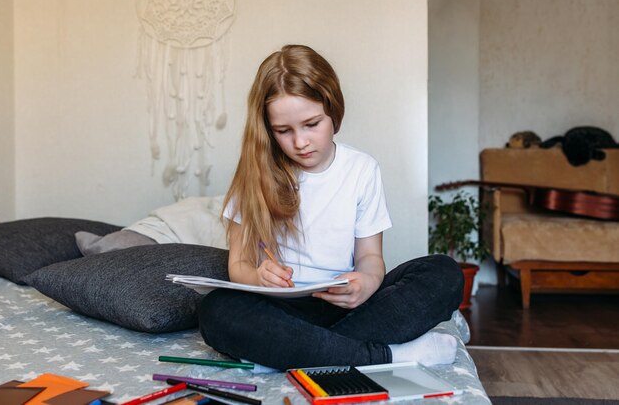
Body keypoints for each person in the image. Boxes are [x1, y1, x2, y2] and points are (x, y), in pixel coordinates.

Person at [197, 44, 463, 370]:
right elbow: (238, 264)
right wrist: (257, 276)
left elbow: (370, 257)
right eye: (284, 131)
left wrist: (365, 283)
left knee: (444, 273)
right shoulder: (253, 173)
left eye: (311, 124)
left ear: (333, 110)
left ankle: (290, 351)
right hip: (282, 308)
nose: (300, 142)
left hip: (346, 307)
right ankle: (385, 356)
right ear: (268, 128)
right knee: (216, 309)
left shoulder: (362, 169)